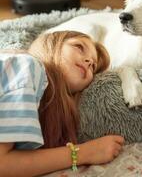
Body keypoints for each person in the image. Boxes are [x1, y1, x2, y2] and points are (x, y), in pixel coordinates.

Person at [0, 31, 125, 176]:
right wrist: (84, 152)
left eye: (93, 66)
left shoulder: (41, 98)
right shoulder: (29, 67)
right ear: (52, 44)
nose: (89, 62)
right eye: (79, 47)